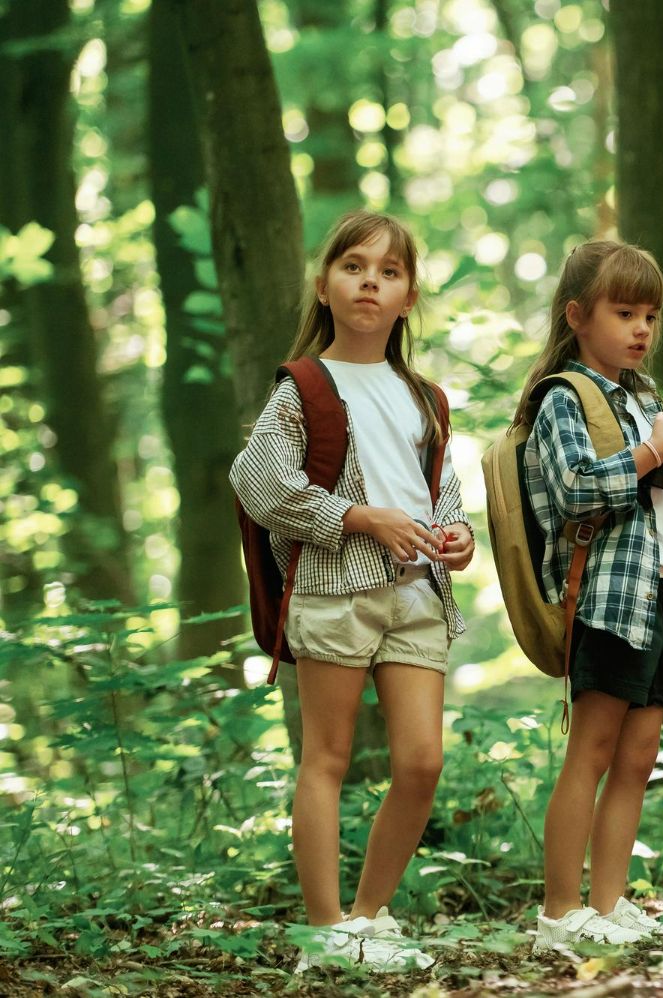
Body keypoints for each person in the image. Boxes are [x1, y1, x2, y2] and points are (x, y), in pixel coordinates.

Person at [230, 210, 474, 972]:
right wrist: (357, 516)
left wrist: (456, 534)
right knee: (327, 758)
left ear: (409, 297)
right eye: (355, 266)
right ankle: (326, 929)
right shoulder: (304, 386)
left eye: (390, 271)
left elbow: (442, 487)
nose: (372, 280)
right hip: (336, 589)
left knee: (422, 761)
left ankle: (369, 918)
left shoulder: (425, 395)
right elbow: (257, 481)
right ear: (325, 284)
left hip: (416, 596)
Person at [517, 241, 663, 952]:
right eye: (624, 312)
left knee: (639, 756)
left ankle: (608, 905)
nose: (642, 329)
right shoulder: (563, 397)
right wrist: (652, 452)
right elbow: (575, 490)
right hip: (609, 597)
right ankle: (559, 911)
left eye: (651, 315)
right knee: (593, 748)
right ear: (577, 316)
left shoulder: (645, 399)